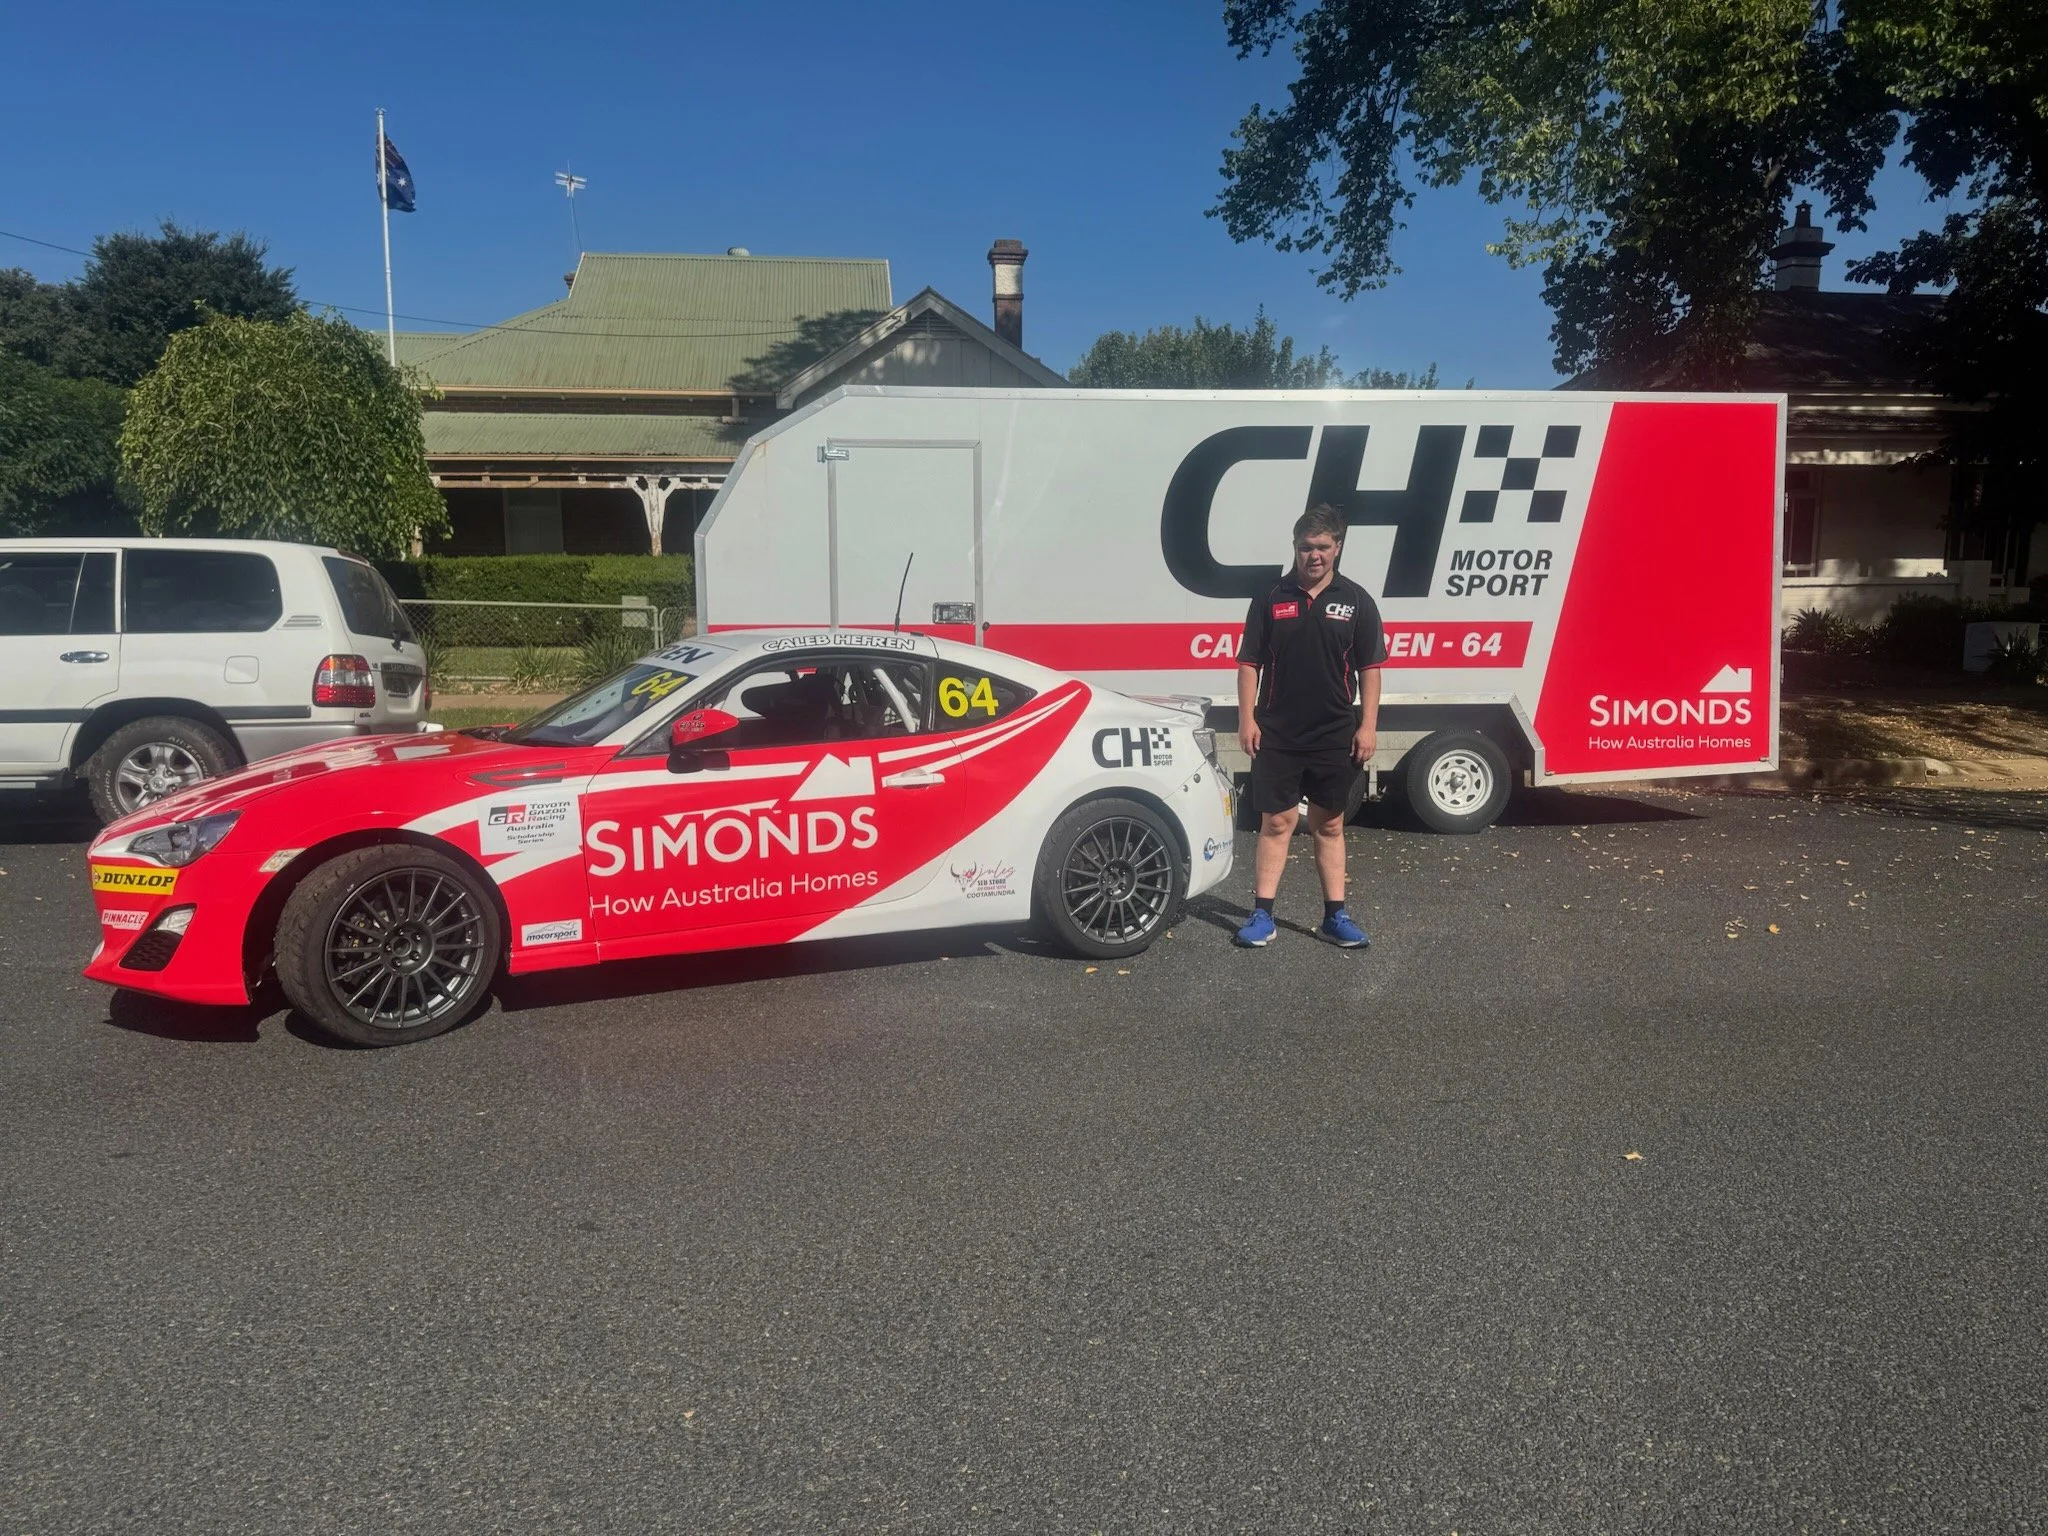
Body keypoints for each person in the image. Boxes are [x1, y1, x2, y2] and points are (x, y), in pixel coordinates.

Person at [1233, 504, 1385, 948]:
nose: (1313, 555)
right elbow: (1249, 663)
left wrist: (1368, 725)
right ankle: (1262, 916)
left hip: (1334, 732)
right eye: (1305, 547)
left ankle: (1335, 918)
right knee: (1276, 823)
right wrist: (1247, 718)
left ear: (1337, 547)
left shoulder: (1357, 600)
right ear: (1295, 548)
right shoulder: (1270, 597)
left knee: (1329, 824)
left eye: (1322, 546)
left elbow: (1371, 668)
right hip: (1277, 732)